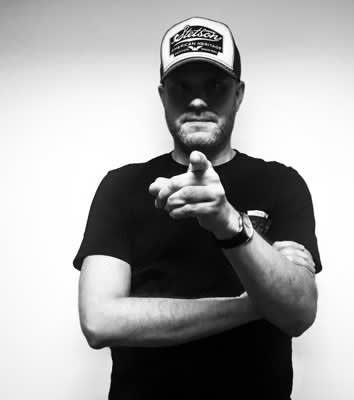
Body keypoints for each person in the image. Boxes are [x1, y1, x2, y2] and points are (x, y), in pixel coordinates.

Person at [73, 16, 322, 400]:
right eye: (181, 88)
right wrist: (254, 305)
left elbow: (299, 313)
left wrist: (230, 223)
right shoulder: (121, 186)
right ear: (162, 96)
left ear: (238, 94)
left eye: (215, 86)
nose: (198, 101)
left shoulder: (281, 183)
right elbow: (99, 321)